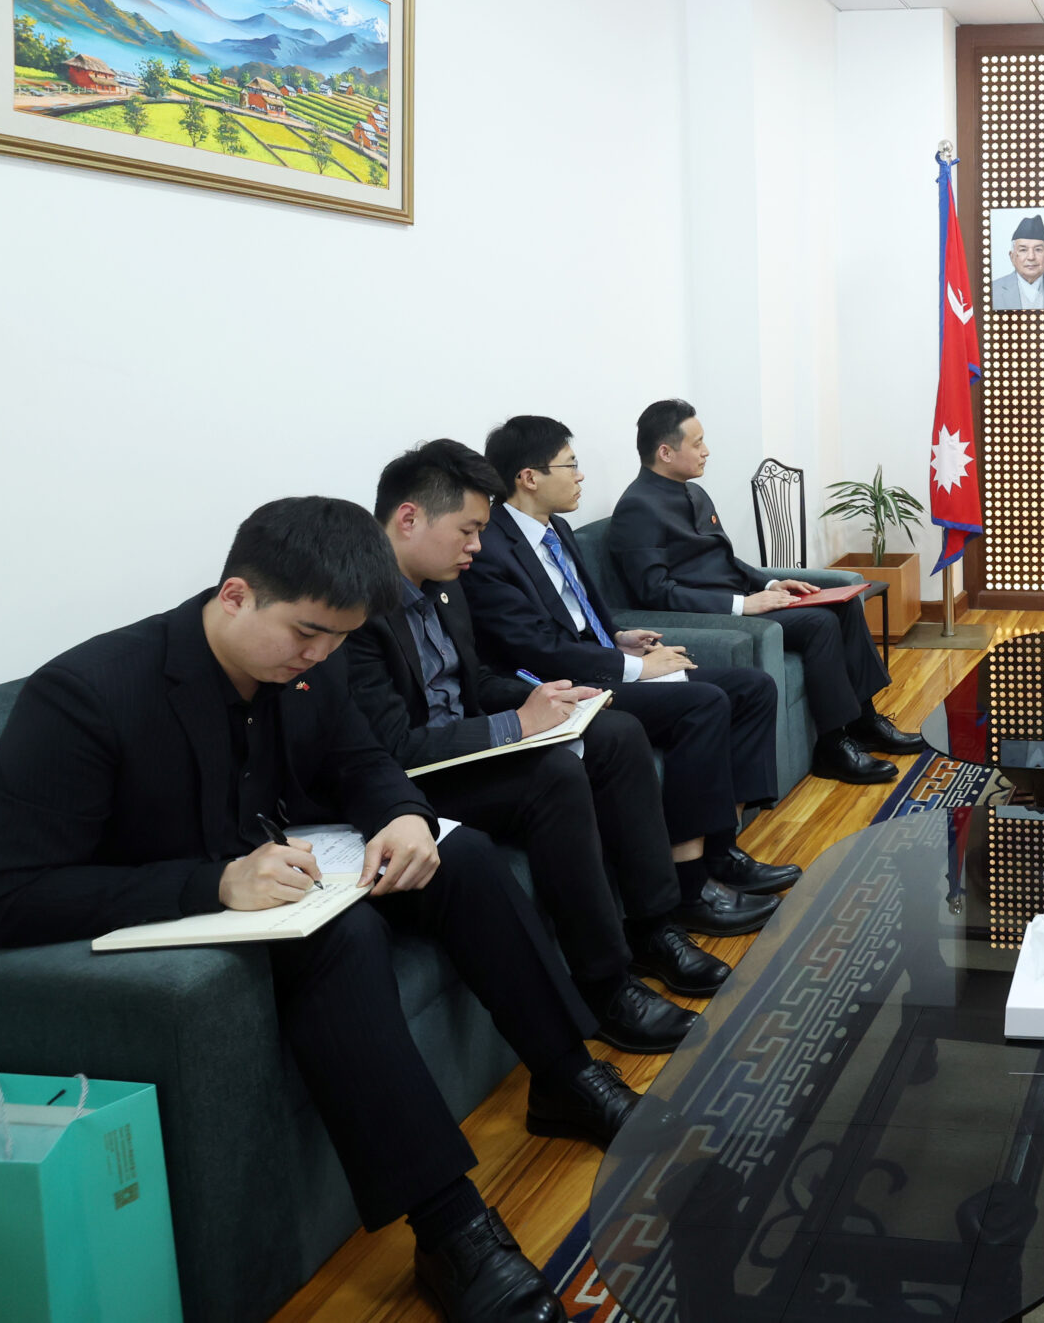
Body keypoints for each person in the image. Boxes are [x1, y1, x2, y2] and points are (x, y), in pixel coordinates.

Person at [0, 498, 636, 1323]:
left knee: (457, 855)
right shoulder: (87, 694)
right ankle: (451, 1228)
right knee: (344, 936)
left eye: (338, 639)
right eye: (307, 633)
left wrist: (403, 814)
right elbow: (4, 896)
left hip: (282, 873)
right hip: (172, 910)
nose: (319, 655)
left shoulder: (311, 664)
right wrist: (212, 883)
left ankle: (566, 1075)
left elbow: (360, 759)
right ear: (236, 595)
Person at [346, 441, 754, 1057]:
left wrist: (551, 698)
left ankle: (654, 927)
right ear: (409, 519)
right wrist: (517, 725)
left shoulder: (443, 587)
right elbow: (395, 745)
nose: (477, 546)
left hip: (467, 746)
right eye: (468, 530)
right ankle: (604, 984)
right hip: (416, 779)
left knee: (616, 733)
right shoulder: (356, 610)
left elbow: (475, 680)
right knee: (555, 776)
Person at [467, 414, 801, 903]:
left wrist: (619, 637)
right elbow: (534, 649)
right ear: (529, 477)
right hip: (564, 686)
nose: (581, 475)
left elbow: (579, 611)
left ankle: (722, 849)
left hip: (599, 658)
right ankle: (690, 884)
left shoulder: (556, 527)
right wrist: (637, 667)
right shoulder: (491, 549)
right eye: (570, 464)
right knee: (704, 704)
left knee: (753, 689)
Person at [605, 399, 916, 785]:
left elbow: (724, 560)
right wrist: (742, 604)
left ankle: (865, 721)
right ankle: (833, 747)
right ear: (665, 452)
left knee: (845, 604)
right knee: (819, 623)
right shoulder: (637, 507)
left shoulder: (694, 493)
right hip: (711, 616)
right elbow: (655, 592)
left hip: (743, 600)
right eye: (697, 444)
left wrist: (769, 583)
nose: (706, 451)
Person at [992, 212, 1044, 309]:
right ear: (1012, 256)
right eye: (1023, 250)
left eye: (1038, 249)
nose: (1031, 257)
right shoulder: (992, 291)